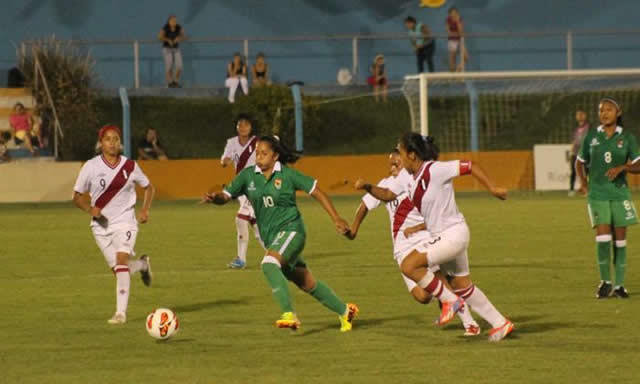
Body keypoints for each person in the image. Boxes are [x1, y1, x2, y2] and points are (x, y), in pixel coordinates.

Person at [355, 133, 514, 341]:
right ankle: (501, 323)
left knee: (409, 265)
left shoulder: (435, 169)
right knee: (462, 285)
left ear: (412, 155)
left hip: (454, 233)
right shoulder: (405, 177)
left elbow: (470, 165)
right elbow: (387, 194)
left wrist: (492, 188)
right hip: (443, 236)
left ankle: (450, 302)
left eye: (400, 153)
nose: (398, 159)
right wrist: (367, 186)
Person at [202, 136, 359, 332]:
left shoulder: (288, 175)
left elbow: (316, 191)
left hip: (293, 230)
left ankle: (289, 314)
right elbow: (225, 196)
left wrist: (336, 218)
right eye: (257, 152)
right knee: (306, 283)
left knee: (268, 264)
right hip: (273, 238)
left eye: (264, 153)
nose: (258, 156)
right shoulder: (247, 176)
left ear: (275, 156)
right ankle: (345, 312)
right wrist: (215, 198)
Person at [347, 149, 481, 336]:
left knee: (436, 280)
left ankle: (469, 322)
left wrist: (419, 228)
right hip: (401, 247)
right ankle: (449, 297)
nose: (393, 167)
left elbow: (435, 213)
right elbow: (365, 205)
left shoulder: (417, 182)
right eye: (391, 164)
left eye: (397, 163)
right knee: (422, 295)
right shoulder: (386, 184)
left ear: (406, 161)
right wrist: (354, 228)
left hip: (424, 240)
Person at [72, 125, 155, 324]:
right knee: (119, 271)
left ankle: (120, 314)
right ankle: (143, 265)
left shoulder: (130, 166)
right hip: (100, 227)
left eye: (116, 139)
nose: (112, 142)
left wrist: (144, 210)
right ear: (101, 143)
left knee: (120, 262)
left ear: (120, 143)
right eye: (108, 139)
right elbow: (76, 197)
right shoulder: (91, 167)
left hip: (125, 222)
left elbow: (149, 187)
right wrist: (90, 210)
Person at [576, 97, 640, 299]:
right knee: (603, 237)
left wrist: (624, 167)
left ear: (618, 112)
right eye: (601, 110)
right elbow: (579, 162)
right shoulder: (592, 137)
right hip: (598, 195)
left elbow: (639, 164)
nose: (604, 113)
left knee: (620, 241)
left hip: (620, 194)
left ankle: (620, 286)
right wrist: (584, 183)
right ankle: (605, 282)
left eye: (609, 109)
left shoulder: (628, 138)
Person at [220, 114, 261, 269]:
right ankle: (276, 255)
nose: (243, 127)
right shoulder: (231, 142)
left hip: (256, 185)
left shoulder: (257, 142)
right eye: (240, 124)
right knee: (256, 223)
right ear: (236, 127)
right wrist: (225, 161)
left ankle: (241, 260)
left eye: (246, 124)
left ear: (251, 127)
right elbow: (224, 159)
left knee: (241, 218)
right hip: (241, 186)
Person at [158, 15, 185, 88]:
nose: (174, 22)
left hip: (176, 48)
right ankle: (170, 82)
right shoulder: (165, 27)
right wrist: (167, 40)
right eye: (172, 21)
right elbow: (159, 37)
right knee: (169, 65)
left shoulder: (178, 27)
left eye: (175, 21)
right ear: (169, 21)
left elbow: (183, 36)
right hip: (167, 48)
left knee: (179, 66)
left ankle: (175, 81)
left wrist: (179, 38)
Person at [569, 109, 590, 196]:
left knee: (586, 171)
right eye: (578, 115)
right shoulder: (576, 128)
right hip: (575, 153)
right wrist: (572, 149)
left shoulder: (589, 127)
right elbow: (574, 140)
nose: (579, 116)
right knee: (573, 171)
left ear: (585, 115)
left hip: (585, 152)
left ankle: (586, 189)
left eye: (581, 114)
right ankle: (571, 190)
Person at [446, 7, 468, 72]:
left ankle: (458, 69)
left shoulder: (459, 19)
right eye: (452, 13)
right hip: (452, 40)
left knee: (466, 57)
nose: (454, 14)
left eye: (455, 13)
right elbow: (448, 32)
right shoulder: (448, 20)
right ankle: (452, 75)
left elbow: (461, 31)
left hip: (460, 39)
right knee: (452, 59)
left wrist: (457, 21)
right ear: (449, 14)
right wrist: (455, 33)